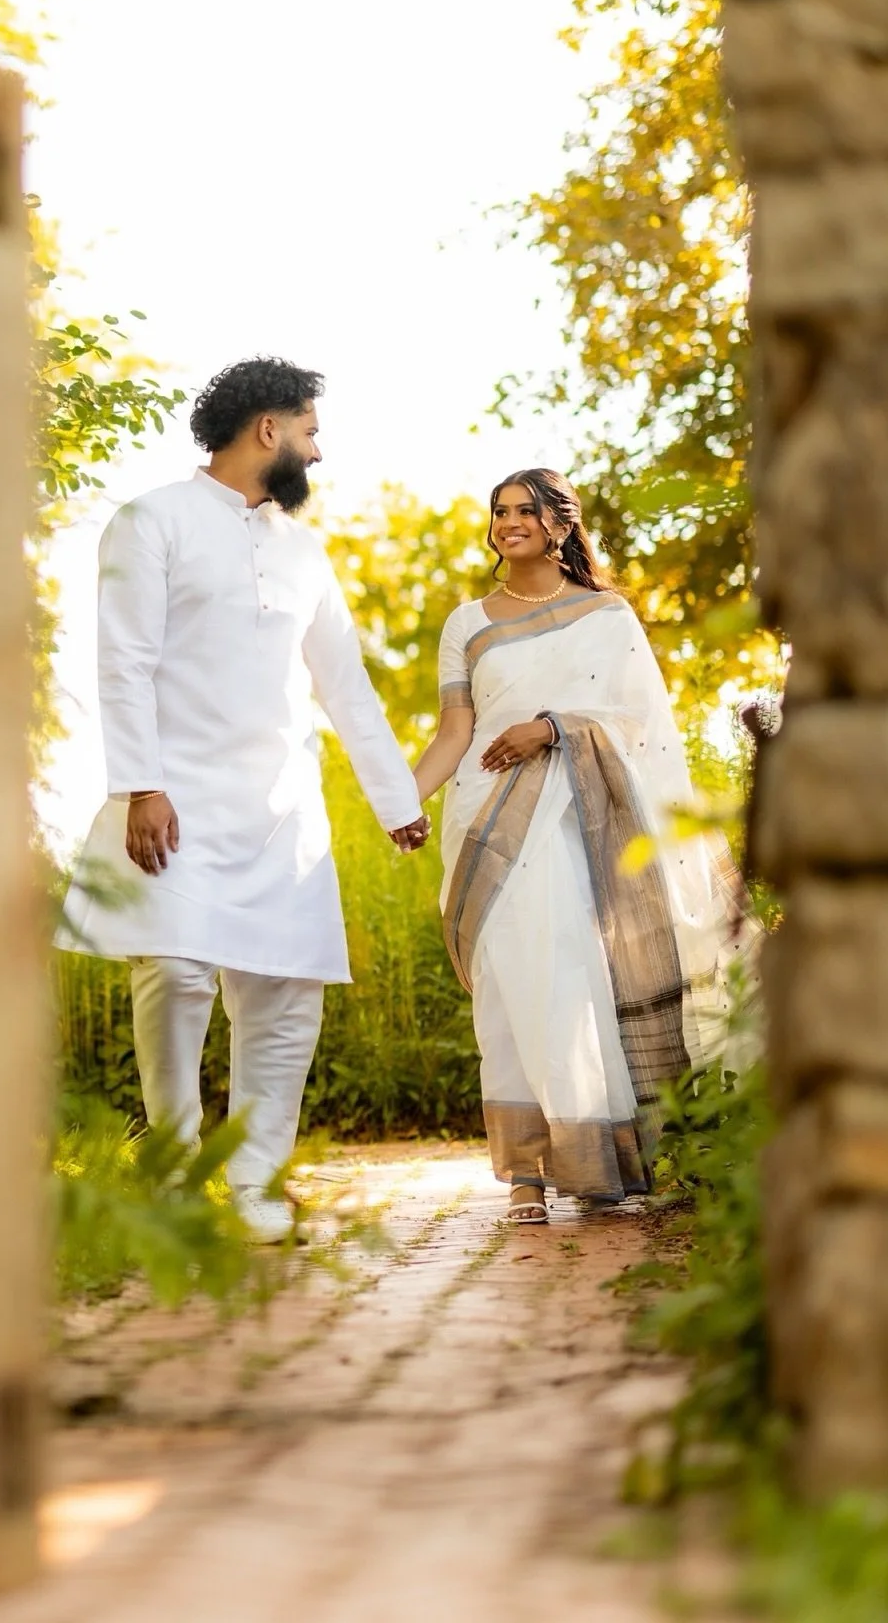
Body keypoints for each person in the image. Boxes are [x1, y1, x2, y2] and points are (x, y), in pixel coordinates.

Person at [58, 358, 428, 1244]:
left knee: (286, 998)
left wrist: (395, 797)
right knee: (177, 976)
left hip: (282, 816)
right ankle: (180, 1177)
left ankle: (259, 1184)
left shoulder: (303, 552)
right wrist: (140, 785)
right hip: (175, 800)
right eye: (310, 430)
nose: (318, 451)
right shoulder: (151, 521)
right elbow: (124, 661)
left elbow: (346, 687)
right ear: (268, 430)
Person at [411, 469, 745, 1224]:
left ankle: (598, 1154)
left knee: (566, 972)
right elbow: (454, 733)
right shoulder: (469, 621)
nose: (509, 523)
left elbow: (637, 724)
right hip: (485, 818)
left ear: (560, 524)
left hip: (577, 814)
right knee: (506, 980)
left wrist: (554, 728)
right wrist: (403, 801)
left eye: (526, 511)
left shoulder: (607, 615)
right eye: (499, 512)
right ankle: (525, 1171)